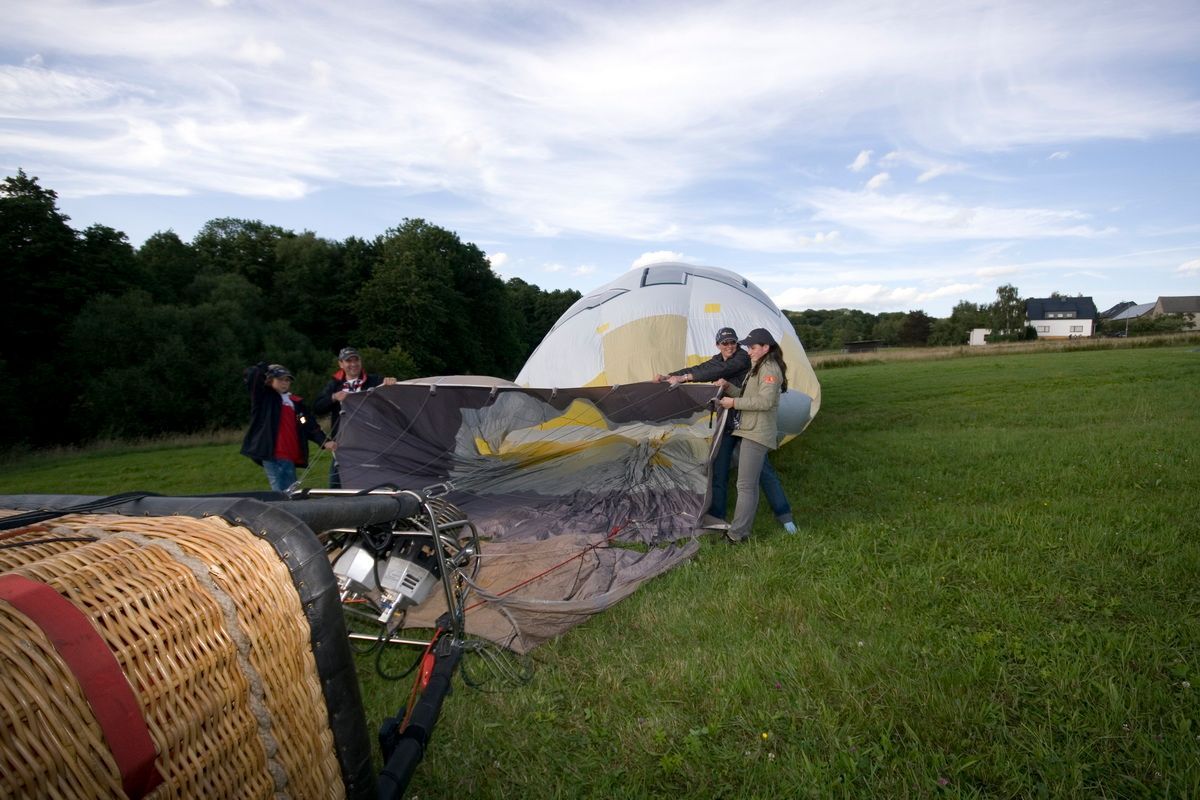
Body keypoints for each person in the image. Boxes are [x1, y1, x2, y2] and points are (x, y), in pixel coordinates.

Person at [655, 327, 797, 534]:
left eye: (733, 342)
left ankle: (785, 516)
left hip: (749, 425)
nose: (730, 346)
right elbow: (703, 368)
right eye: (725, 343)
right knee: (719, 470)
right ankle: (717, 518)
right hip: (729, 424)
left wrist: (684, 378)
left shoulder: (743, 358)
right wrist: (670, 376)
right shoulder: (720, 360)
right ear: (717, 345)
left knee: (763, 473)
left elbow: (716, 371)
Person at [715, 328, 788, 543]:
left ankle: (736, 535)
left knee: (745, 486)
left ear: (766, 347)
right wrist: (728, 387)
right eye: (748, 347)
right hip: (750, 430)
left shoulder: (769, 369)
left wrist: (733, 403)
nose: (749, 351)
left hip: (756, 433)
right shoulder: (758, 366)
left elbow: (764, 402)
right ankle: (741, 531)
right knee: (750, 485)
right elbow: (747, 395)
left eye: (753, 347)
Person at [241, 362, 336, 492]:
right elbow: (252, 376)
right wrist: (264, 368)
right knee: (280, 493)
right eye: (280, 379)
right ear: (270, 380)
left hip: (290, 456)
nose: (284, 383)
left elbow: (306, 424)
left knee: (291, 492)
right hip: (272, 455)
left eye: (287, 380)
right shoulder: (264, 399)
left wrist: (324, 441)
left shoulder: (296, 404)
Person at [314, 347, 396, 488]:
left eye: (356, 360)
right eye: (348, 361)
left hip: (370, 442)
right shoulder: (334, 384)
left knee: (373, 482)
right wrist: (333, 397)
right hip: (343, 444)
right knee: (336, 486)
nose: (353, 364)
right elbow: (317, 408)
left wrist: (390, 383)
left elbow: (391, 399)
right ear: (341, 364)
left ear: (360, 361)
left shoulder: (374, 380)